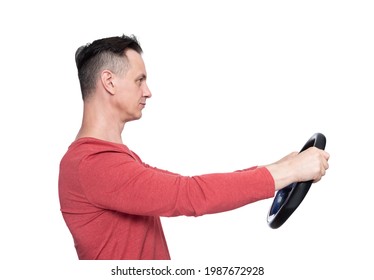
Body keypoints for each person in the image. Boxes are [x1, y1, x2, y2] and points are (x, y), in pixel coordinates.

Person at [58, 34, 330, 260]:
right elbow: (189, 195)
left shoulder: (114, 159)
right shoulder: (91, 164)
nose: (148, 91)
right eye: (139, 80)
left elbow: (183, 185)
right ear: (109, 81)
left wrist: (279, 168)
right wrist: (290, 172)